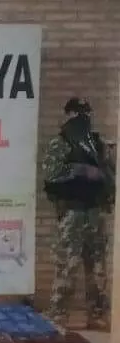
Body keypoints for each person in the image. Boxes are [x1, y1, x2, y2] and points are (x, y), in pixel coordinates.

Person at [42, 97, 115, 330]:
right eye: (78, 113)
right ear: (69, 114)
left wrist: (105, 173)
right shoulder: (61, 142)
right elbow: (51, 174)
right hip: (72, 211)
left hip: (94, 212)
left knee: (97, 267)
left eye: (85, 113)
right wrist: (80, 170)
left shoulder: (97, 143)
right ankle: (59, 314)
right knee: (67, 265)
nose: (82, 117)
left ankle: (97, 314)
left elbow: (109, 175)